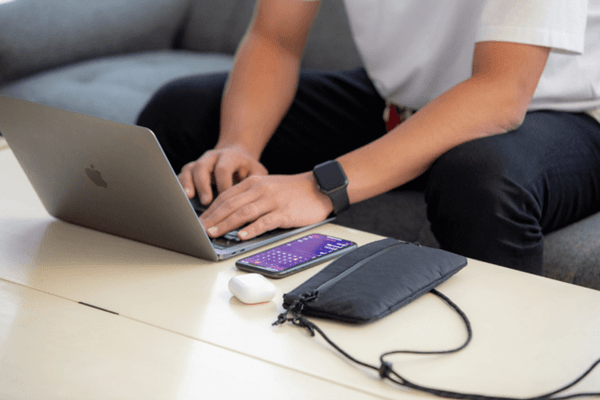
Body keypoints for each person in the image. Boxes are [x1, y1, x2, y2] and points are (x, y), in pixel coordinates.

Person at [137, 0, 600, 276]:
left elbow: (501, 93)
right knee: (182, 114)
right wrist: (237, 146)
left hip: (565, 112)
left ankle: (506, 379)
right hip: (402, 104)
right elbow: (274, 38)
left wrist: (322, 187)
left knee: (482, 182)